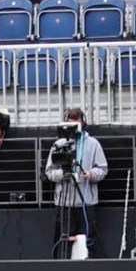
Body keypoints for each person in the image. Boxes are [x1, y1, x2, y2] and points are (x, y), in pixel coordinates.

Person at [48, 105, 108, 255]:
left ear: (83, 122)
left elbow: (103, 169)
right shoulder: (58, 145)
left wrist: (91, 174)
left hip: (86, 201)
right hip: (64, 202)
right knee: (64, 238)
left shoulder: (93, 144)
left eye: (77, 123)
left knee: (87, 238)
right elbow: (49, 171)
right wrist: (62, 175)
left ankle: (88, 268)